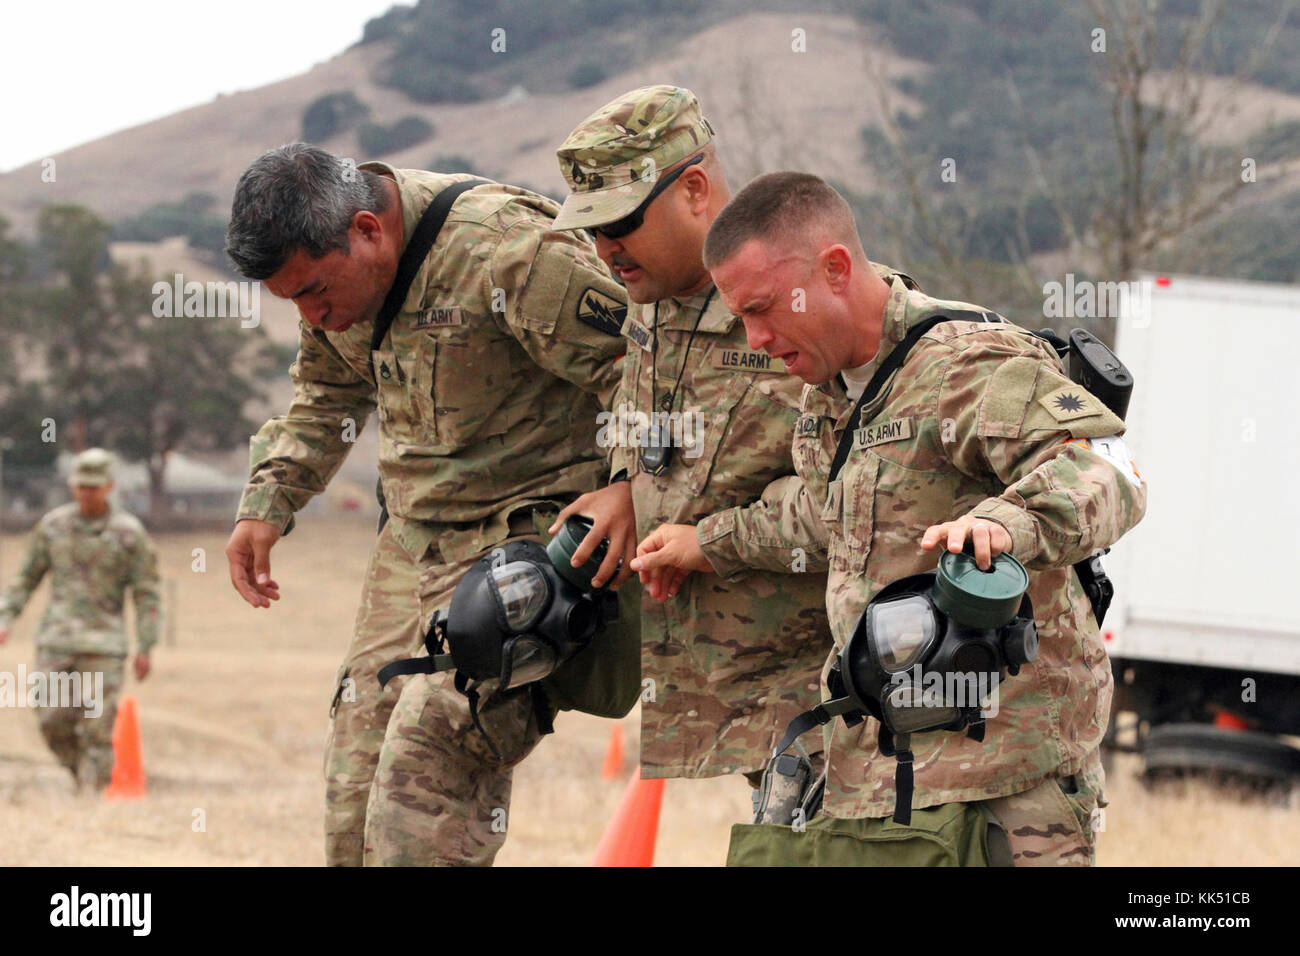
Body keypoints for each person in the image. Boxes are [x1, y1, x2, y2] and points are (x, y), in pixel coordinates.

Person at [685, 171, 1147, 865]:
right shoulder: (828, 397)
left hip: (1003, 782)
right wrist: (702, 544)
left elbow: (1105, 473)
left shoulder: (966, 363)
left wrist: (1006, 523)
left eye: (764, 308)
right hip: (879, 779)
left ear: (834, 269)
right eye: (739, 318)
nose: (754, 338)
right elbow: (822, 518)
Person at [222, 144, 631, 866]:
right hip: (411, 544)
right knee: (353, 808)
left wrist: (628, 487)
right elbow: (327, 396)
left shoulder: (509, 252)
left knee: (423, 803)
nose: (312, 316)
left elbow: (641, 374)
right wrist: (268, 502)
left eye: (314, 291)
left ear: (367, 229)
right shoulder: (333, 282)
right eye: (293, 303)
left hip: (521, 548)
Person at [548, 87, 915, 806]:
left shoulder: (811, 303)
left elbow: (861, 491)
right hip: (725, 673)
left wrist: (710, 539)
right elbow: (646, 408)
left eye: (620, 222)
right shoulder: (650, 304)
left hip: (822, 675)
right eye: (591, 229)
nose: (603, 250)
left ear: (692, 190)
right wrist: (627, 482)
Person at [0, 448, 160, 792]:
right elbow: (26, 578)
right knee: (51, 718)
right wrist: (5, 616)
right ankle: (78, 773)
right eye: (81, 486)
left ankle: (94, 794)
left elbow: (146, 592)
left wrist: (146, 645)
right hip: (56, 639)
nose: (86, 493)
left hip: (104, 643)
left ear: (109, 487)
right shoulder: (53, 526)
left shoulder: (129, 533)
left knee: (97, 724)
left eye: (93, 486)